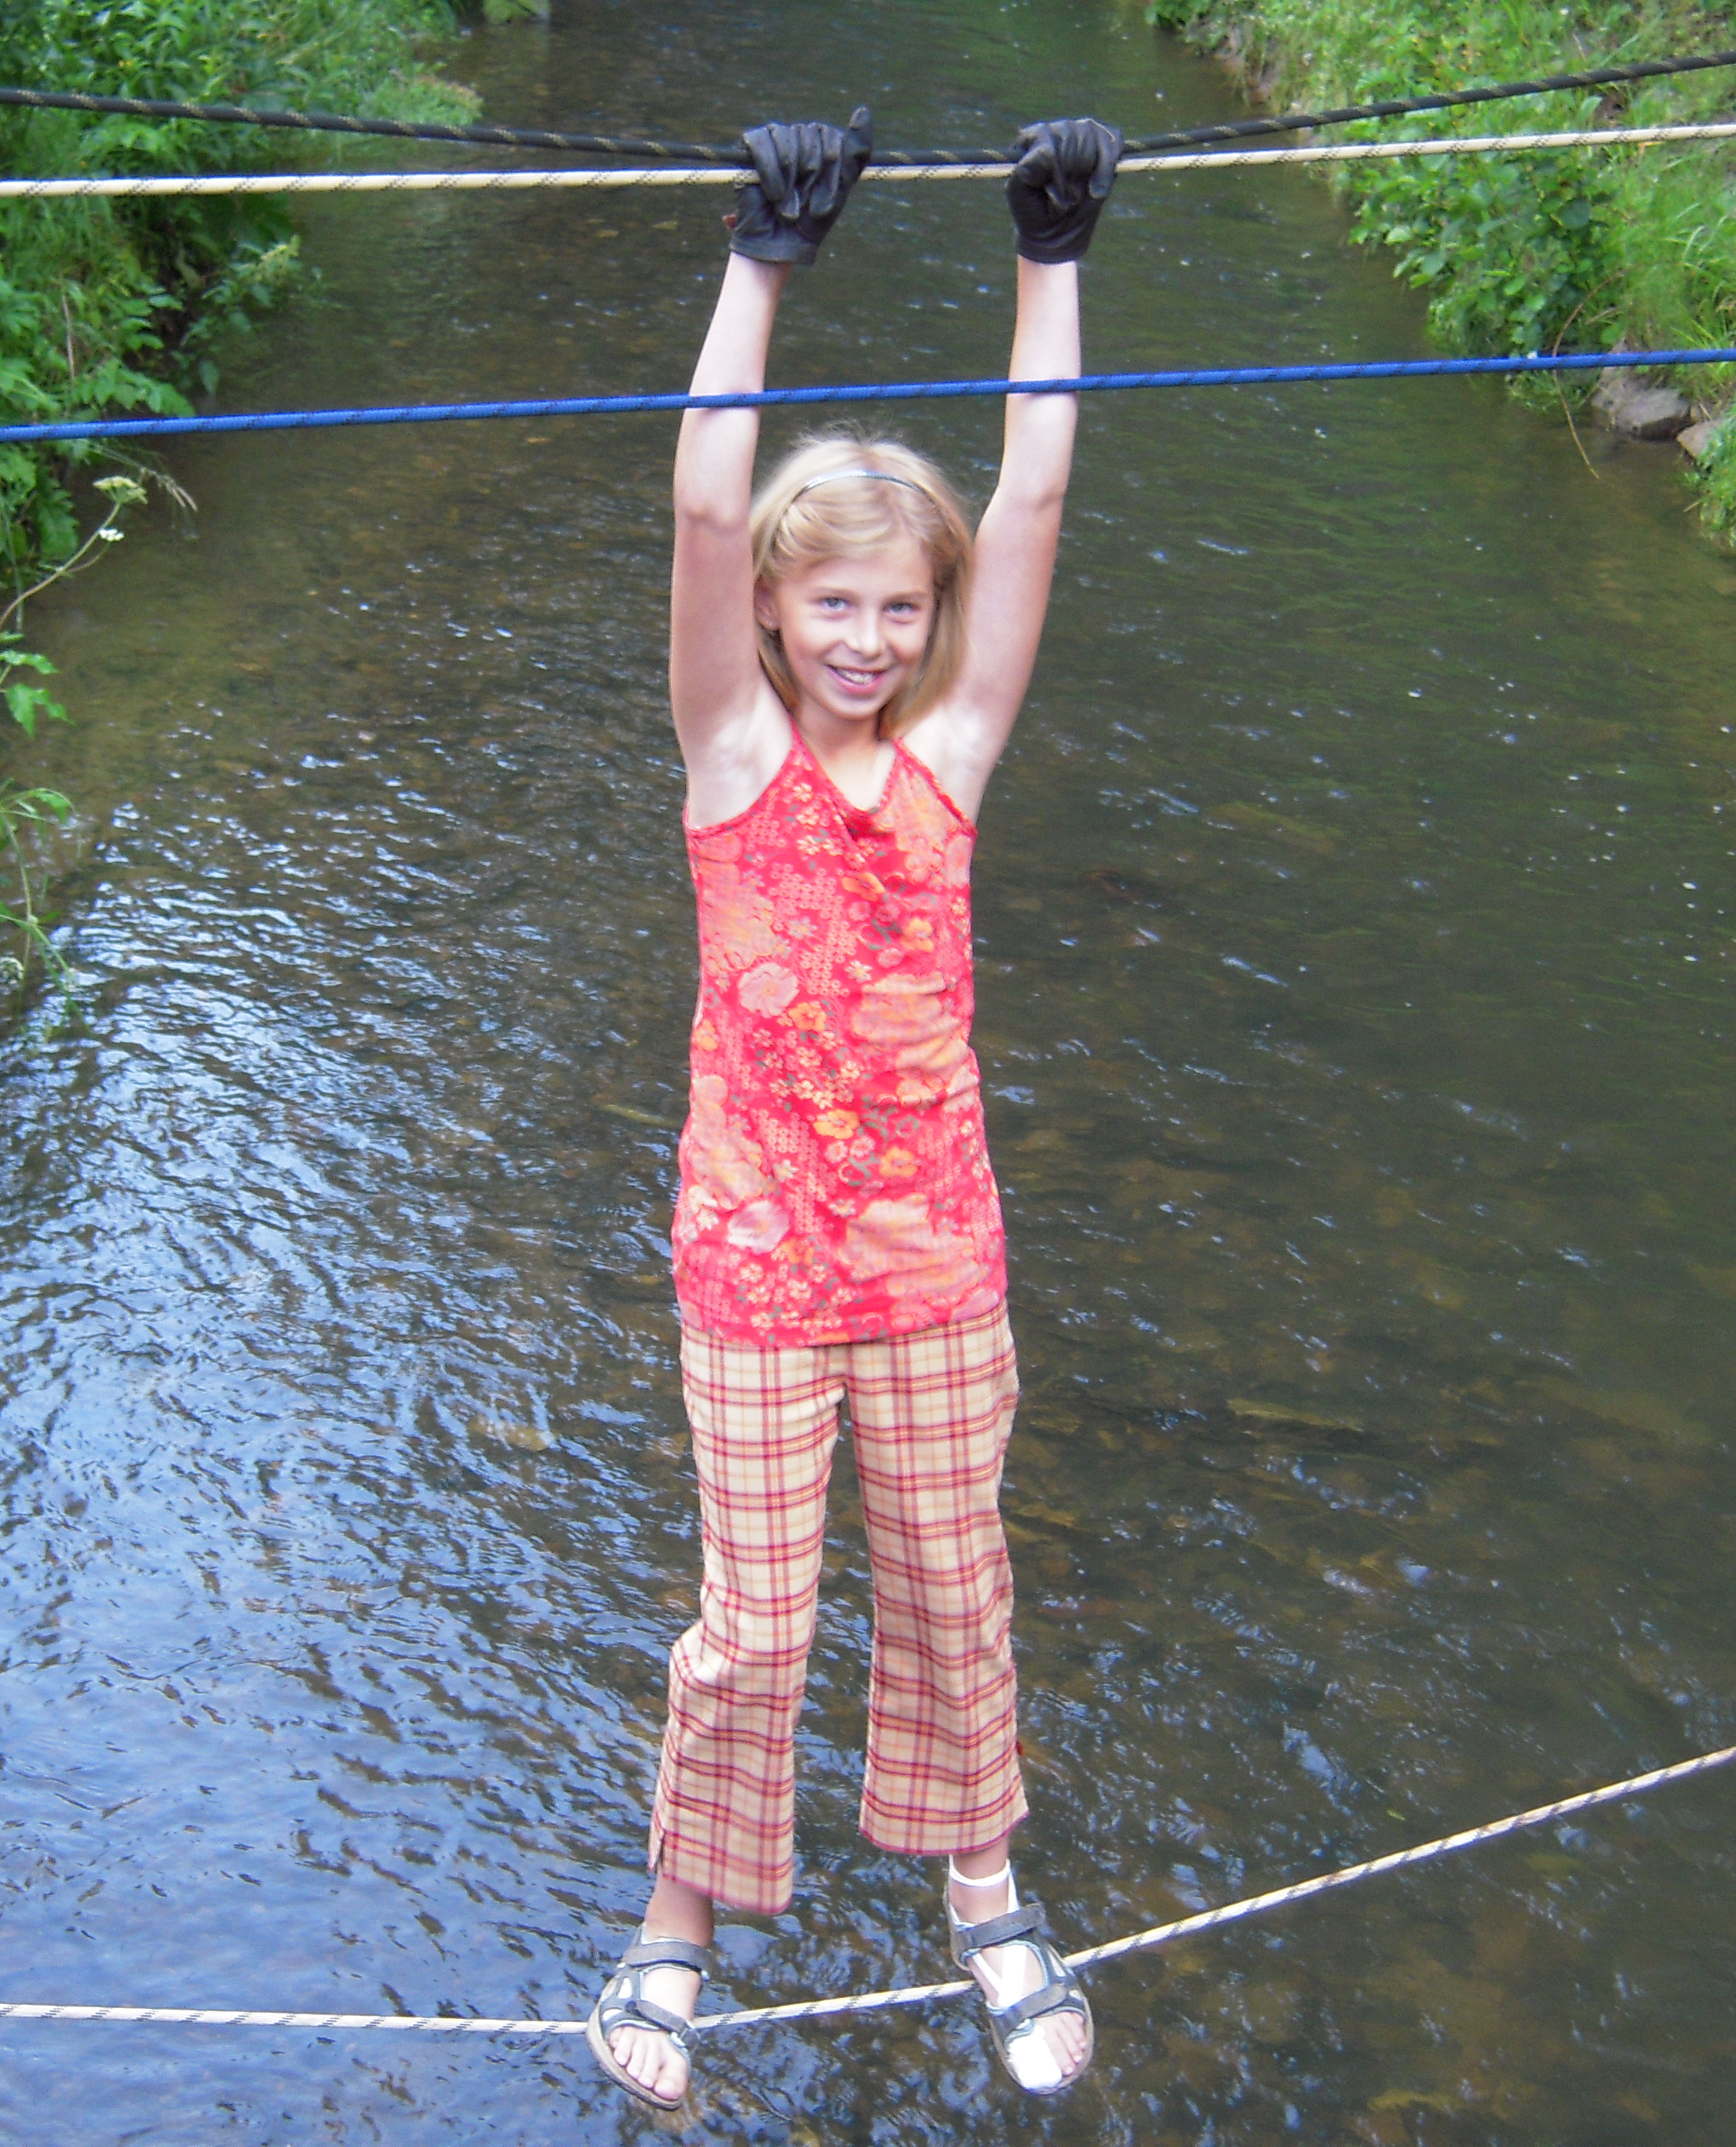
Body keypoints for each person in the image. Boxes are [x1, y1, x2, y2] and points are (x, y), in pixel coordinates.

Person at [584, 108, 1124, 2109]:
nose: (871, 642)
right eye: (837, 608)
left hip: (933, 1258)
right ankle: (677, 1924)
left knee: (956, 1582)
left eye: (904, 610)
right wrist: (761, 264)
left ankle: (985, 1886)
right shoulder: (729, 755)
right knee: (752, 1623)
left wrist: (1048, 261)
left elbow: (1037, 494)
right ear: (777, 615)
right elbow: (701, 512)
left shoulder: (955, 753)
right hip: (751, 1262)